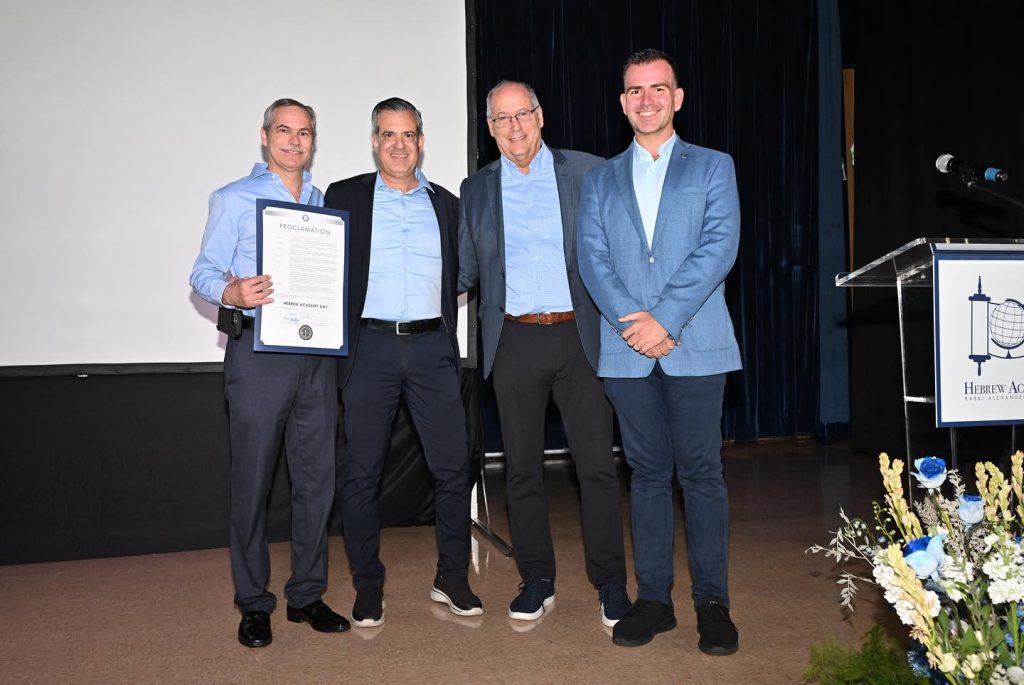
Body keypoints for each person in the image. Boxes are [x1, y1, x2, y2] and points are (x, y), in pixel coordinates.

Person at [577, 49, 742, 655]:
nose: (646, 99)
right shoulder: (599, 180)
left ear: (678, 97)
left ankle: (713, 604)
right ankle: (654, 600)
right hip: (627, 349)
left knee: (701, 475)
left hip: (696, 341)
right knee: (646, 476)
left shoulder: (714, 166)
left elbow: (719, 246)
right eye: (635, 90)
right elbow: (593, 259)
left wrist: (665, 319)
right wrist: (636, 325)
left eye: (658, 88)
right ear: (623, 103)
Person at [458, 81, 630, 626]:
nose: (514, 127)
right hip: (513, 341)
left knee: (597, 467)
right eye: (502, 119)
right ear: (490, 128)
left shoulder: (589, 171)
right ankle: (537, 579)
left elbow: (622, 248)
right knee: (522, 470)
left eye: (522, 115)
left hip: (580, 337)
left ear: (540, 116)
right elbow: (463, 270)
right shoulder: (476, 189)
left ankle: (611, 584)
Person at [190, 98, 349, 648]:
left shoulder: (324, 205)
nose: (294, 141)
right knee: (252, 484)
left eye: (304, 132)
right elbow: (203, 273)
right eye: (284, 130)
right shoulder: (232, 198)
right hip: (258, 355)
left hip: (317, 357)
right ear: (265, 136)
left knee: (316, 483)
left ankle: (306, 595)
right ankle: (254, 603)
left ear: (313, 141)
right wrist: (232, 292)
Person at [323, 97, 482, 627]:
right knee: (362, 475)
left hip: (432, 348)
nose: (399, 144)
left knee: (453, 467)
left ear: (421, 141)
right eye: (388, 134)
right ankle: (368, 585)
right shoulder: (344, 196)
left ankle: (452, 577)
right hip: (370, 349)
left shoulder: (447, 204)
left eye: (408, 134)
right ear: (375, 141)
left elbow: (461, 272)